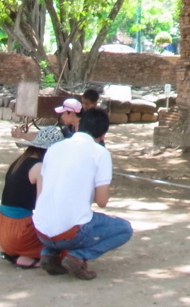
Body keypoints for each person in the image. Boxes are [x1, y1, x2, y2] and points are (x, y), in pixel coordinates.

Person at [33, 107, 132, 280]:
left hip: (41, 230)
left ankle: (49, 253)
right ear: (102, 136)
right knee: (124, 229)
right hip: (70, 233)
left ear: (79, 126)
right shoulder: (100, 153)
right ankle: (79, 255)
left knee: (65, 216)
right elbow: (102, 201)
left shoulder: (54, 148)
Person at [0, 126, 65, 269]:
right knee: (66, 243)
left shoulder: (19, 162)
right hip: (19, 232)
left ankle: (19, 254)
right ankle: (29, 256)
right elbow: (43, 207)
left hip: (2, 229)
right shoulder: (39, 168)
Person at [11, 98, 83, 142]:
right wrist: (22, 135)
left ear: (71, 113)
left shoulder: (87, 130)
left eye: (63, 113)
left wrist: (23, 135)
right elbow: (47, 137)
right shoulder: (69, 129)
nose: (62, 116)